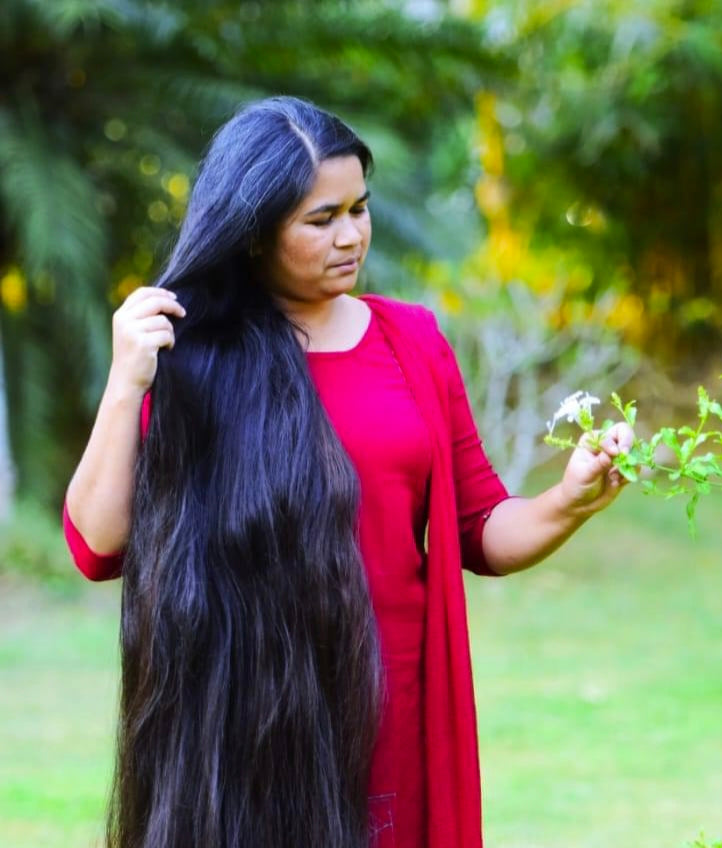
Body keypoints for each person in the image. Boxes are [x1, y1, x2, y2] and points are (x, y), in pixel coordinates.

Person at [63, 96, 633, 848]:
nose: (351, 236)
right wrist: (125, 381)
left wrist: (568, 498)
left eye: (359, 209)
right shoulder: (193, 354)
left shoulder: (412, 343)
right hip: (239, 734)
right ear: (254, 231)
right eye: (321, 219)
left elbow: (481, 527)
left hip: (392, 714)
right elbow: (97, 546)